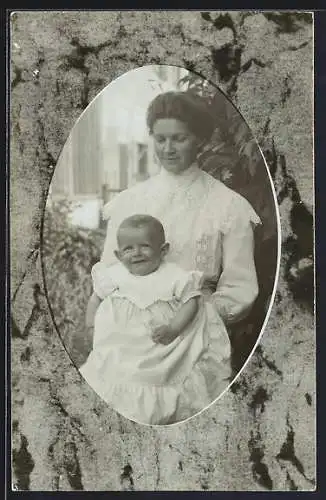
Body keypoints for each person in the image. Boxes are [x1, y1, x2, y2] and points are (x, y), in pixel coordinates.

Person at [83, 90, 261, 423]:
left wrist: (194, 322)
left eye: (179, 138)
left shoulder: (228, 207)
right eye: (160, 139)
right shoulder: (129, 202)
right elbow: (110, 272)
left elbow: (240, 289)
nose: (168, 148)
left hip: (193, 336)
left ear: (200, 140)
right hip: (130, 341)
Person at [80, 214, 231, 425]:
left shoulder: (174, 275)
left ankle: (154, 410)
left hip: (160, 341)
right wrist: (91, 325)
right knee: (114, 368)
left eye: (145, 246)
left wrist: (173, 328)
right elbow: (96, 298)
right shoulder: (114, 275)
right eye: (128, 249)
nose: (137, 253)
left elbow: (191, 301)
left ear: (163, 250)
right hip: (122, 339)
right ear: (118, 254)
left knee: (156, 375)